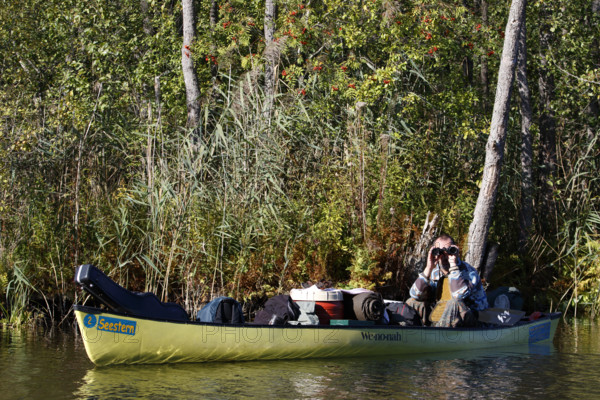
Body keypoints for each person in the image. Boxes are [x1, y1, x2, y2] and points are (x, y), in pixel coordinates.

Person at [406, 234, 488, 327]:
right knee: (412, 301)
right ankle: (411, 334)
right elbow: (414, 294)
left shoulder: (469, 272)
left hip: (472, 320)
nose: (444, 256)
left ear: (455, 251)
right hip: (442, 314)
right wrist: (428, 268)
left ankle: (437, 336)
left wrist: (453, 264)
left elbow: (458, 296)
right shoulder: (434, 271)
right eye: (440, 252)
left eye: (448, 251)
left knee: (454, 303)